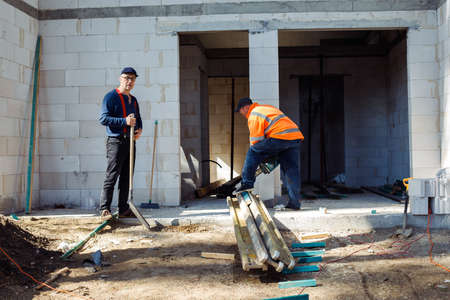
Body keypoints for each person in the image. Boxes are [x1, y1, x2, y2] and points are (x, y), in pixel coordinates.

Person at [235, 97, 304, 210]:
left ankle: (246, 184)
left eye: (240, 111)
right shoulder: (266, 108)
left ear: (246, 107)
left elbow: (256, 143)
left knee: (252, 151)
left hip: (280, 138)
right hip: (294, 138)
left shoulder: (254, 115)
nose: (241, 114)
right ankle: (294, 203)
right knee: (291, 171)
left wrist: (262, 159)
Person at [99, 67, 143, 220]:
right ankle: (104, 209)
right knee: (112, 175)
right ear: (120, 78)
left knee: (127, 176)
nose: (129, 81)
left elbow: (138, 118)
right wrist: (124, 121)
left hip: (130, 141)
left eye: (132, 78)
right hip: (116, 142)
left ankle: (123, 208)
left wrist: (139, 130)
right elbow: (103, 119)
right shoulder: (110, 97)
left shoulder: (134, 100)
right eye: (126, 78)